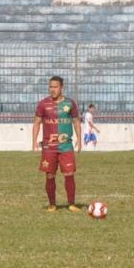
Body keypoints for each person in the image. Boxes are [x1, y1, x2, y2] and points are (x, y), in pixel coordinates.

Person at [32, 76, 81, 212]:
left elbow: (76, 121)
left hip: (66, 146)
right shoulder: (43, 104)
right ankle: (52, 204)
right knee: (50, 175)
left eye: (55, 87)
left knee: (69, 174)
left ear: (61, 87)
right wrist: (34, 142)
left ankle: (71, 203)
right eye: (50, 87)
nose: (52, 89)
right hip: (49, 147)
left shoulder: (70, 104)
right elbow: (36, 123)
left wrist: (79, 140)